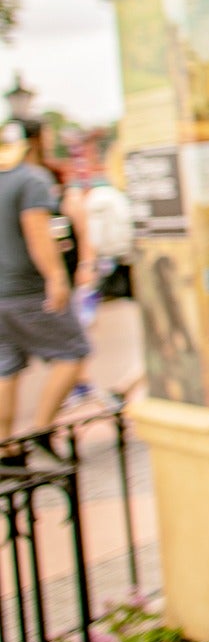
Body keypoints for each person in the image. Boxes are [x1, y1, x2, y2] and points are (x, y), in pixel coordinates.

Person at [0, 120, 90, 457]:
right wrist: (56, 276)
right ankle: (42, 428)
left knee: (5, 368)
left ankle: (6, 449)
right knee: (73, 352)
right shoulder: (31, 180)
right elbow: (38, 232)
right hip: (28, 290)